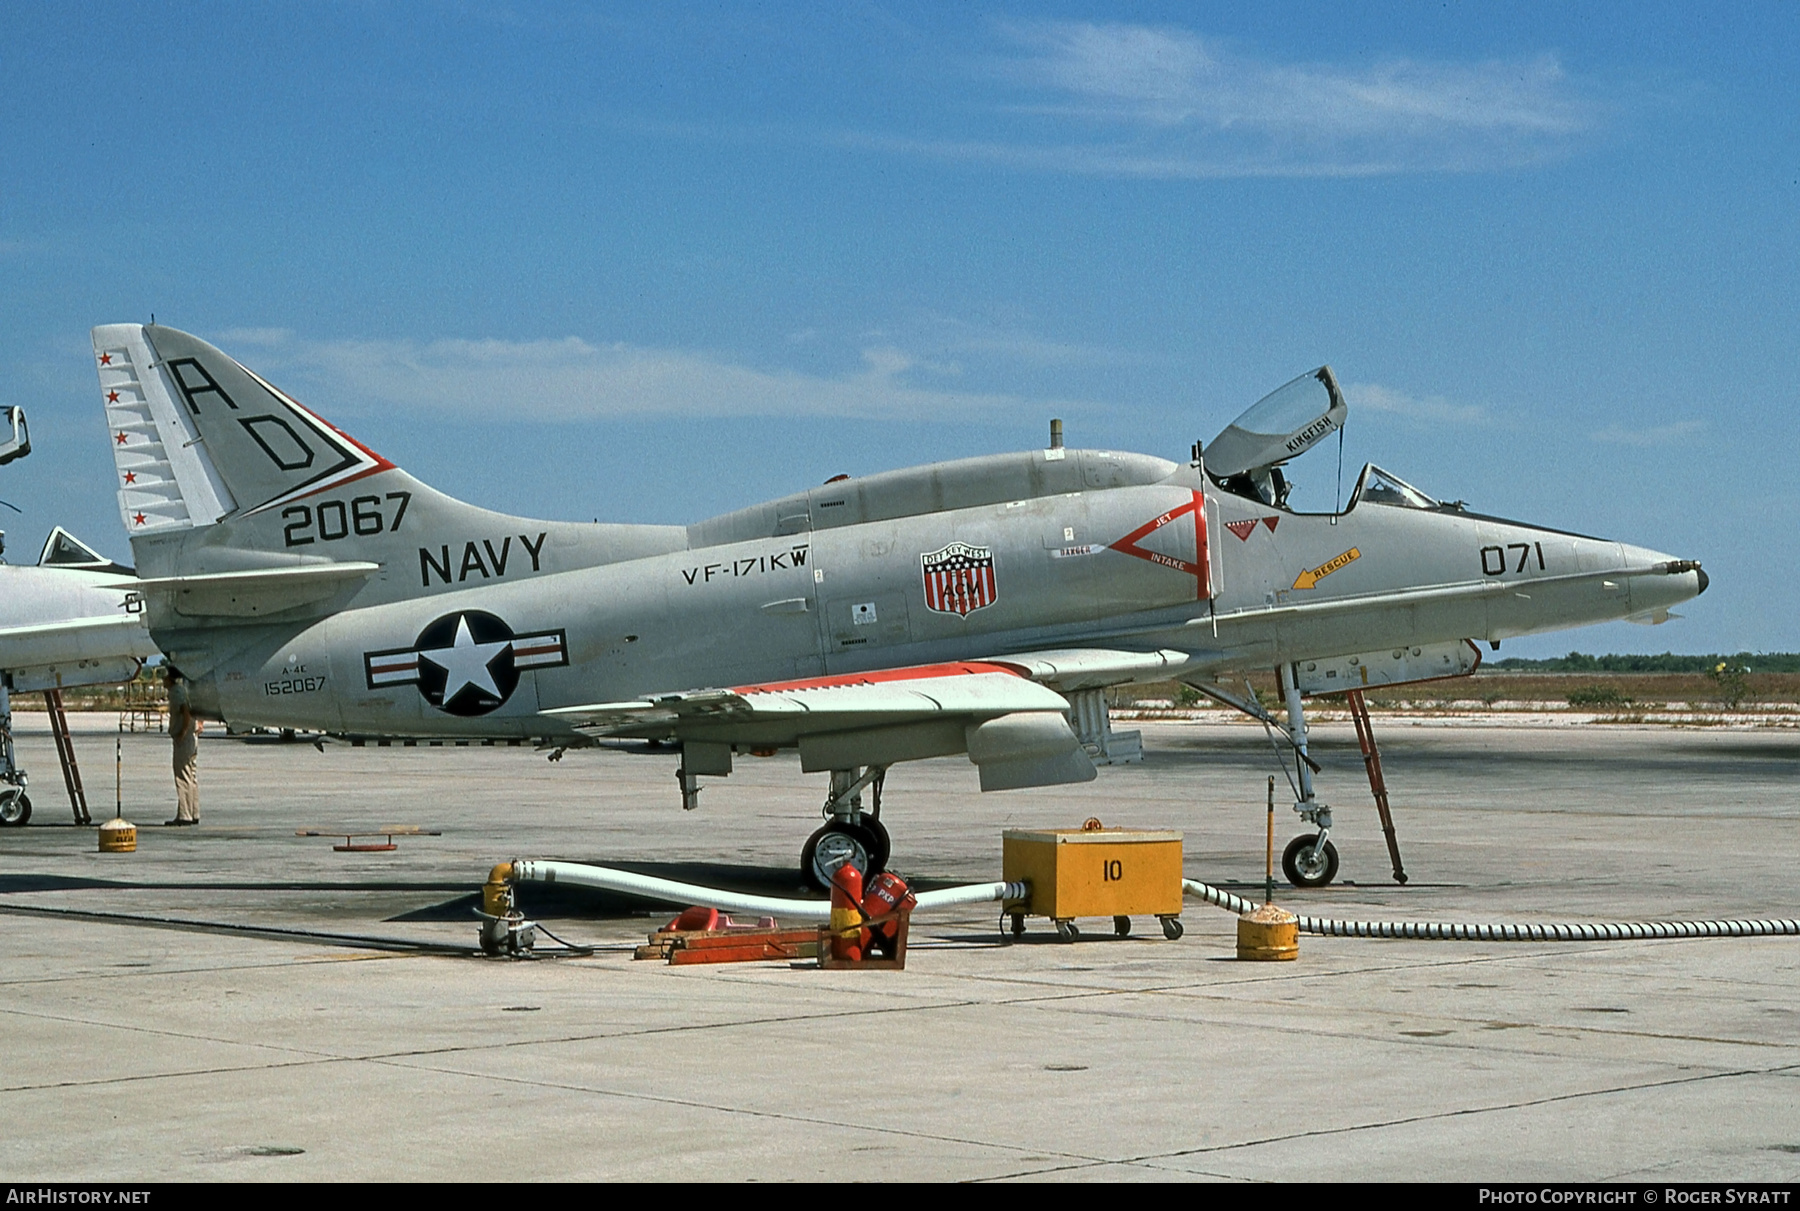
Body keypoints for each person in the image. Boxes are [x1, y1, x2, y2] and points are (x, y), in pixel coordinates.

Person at [165, 667, 200, 826]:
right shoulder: (186, 689)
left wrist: (182, 732)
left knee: (182, 776)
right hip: (192, 737)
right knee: (191, 775)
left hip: (184, 738)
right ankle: (193, 811)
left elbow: (185, 711)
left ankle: (185, 815)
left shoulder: (176, 692)